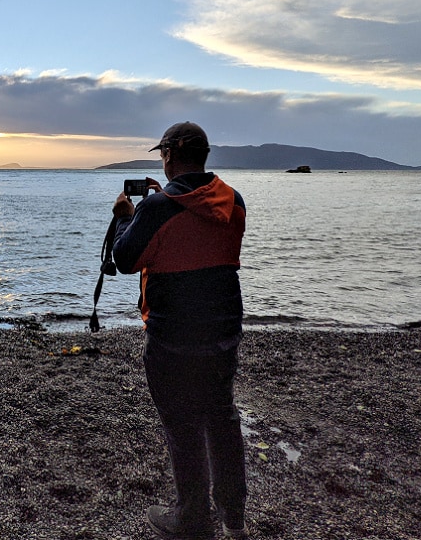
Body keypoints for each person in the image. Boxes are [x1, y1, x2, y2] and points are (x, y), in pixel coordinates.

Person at [111, 121, 248, 540]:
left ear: (168, 155)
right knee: (222, 419)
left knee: (183, 425)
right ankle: (234, 519)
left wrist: (125, 220)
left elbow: (125, 259)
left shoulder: (155, 209)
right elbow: (195, 232)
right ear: (204, 155)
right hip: (223, 330)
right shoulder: (234, 201)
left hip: (172, 337)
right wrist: (158, 205)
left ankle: (191, 518)